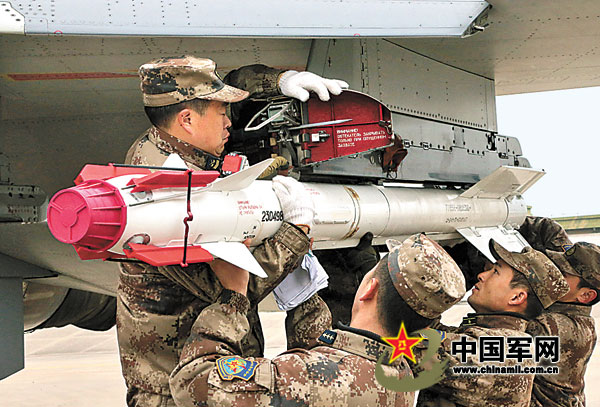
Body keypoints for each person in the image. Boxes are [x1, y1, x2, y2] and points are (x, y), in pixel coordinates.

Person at [117, 56, 347, 407]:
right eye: (221, 112)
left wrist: (282, 81)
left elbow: (235, 82)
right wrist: (295, 233)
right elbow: (233, 285)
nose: (229, 122)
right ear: (188, 120)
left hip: (208, 379)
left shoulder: (175, 143)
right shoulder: (162, 192)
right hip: (178, 393)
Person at [168, 234, 467, 406]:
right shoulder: (399, 373)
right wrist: (304, 297)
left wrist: (233, 298)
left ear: (368, 288)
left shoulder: (305, 376)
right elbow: (332, 364)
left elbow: (192, 382)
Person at [416, 239, 570, 407]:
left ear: (516, 297)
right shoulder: (488, 334)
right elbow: (428, 330)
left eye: (495, 271)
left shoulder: (504, 349)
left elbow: (407, 344)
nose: (481, 275)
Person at [527, 241, 600, 406]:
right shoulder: (581, 320)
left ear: (586, 295)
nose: (551, 274)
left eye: (561, 274)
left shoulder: (550, 326)